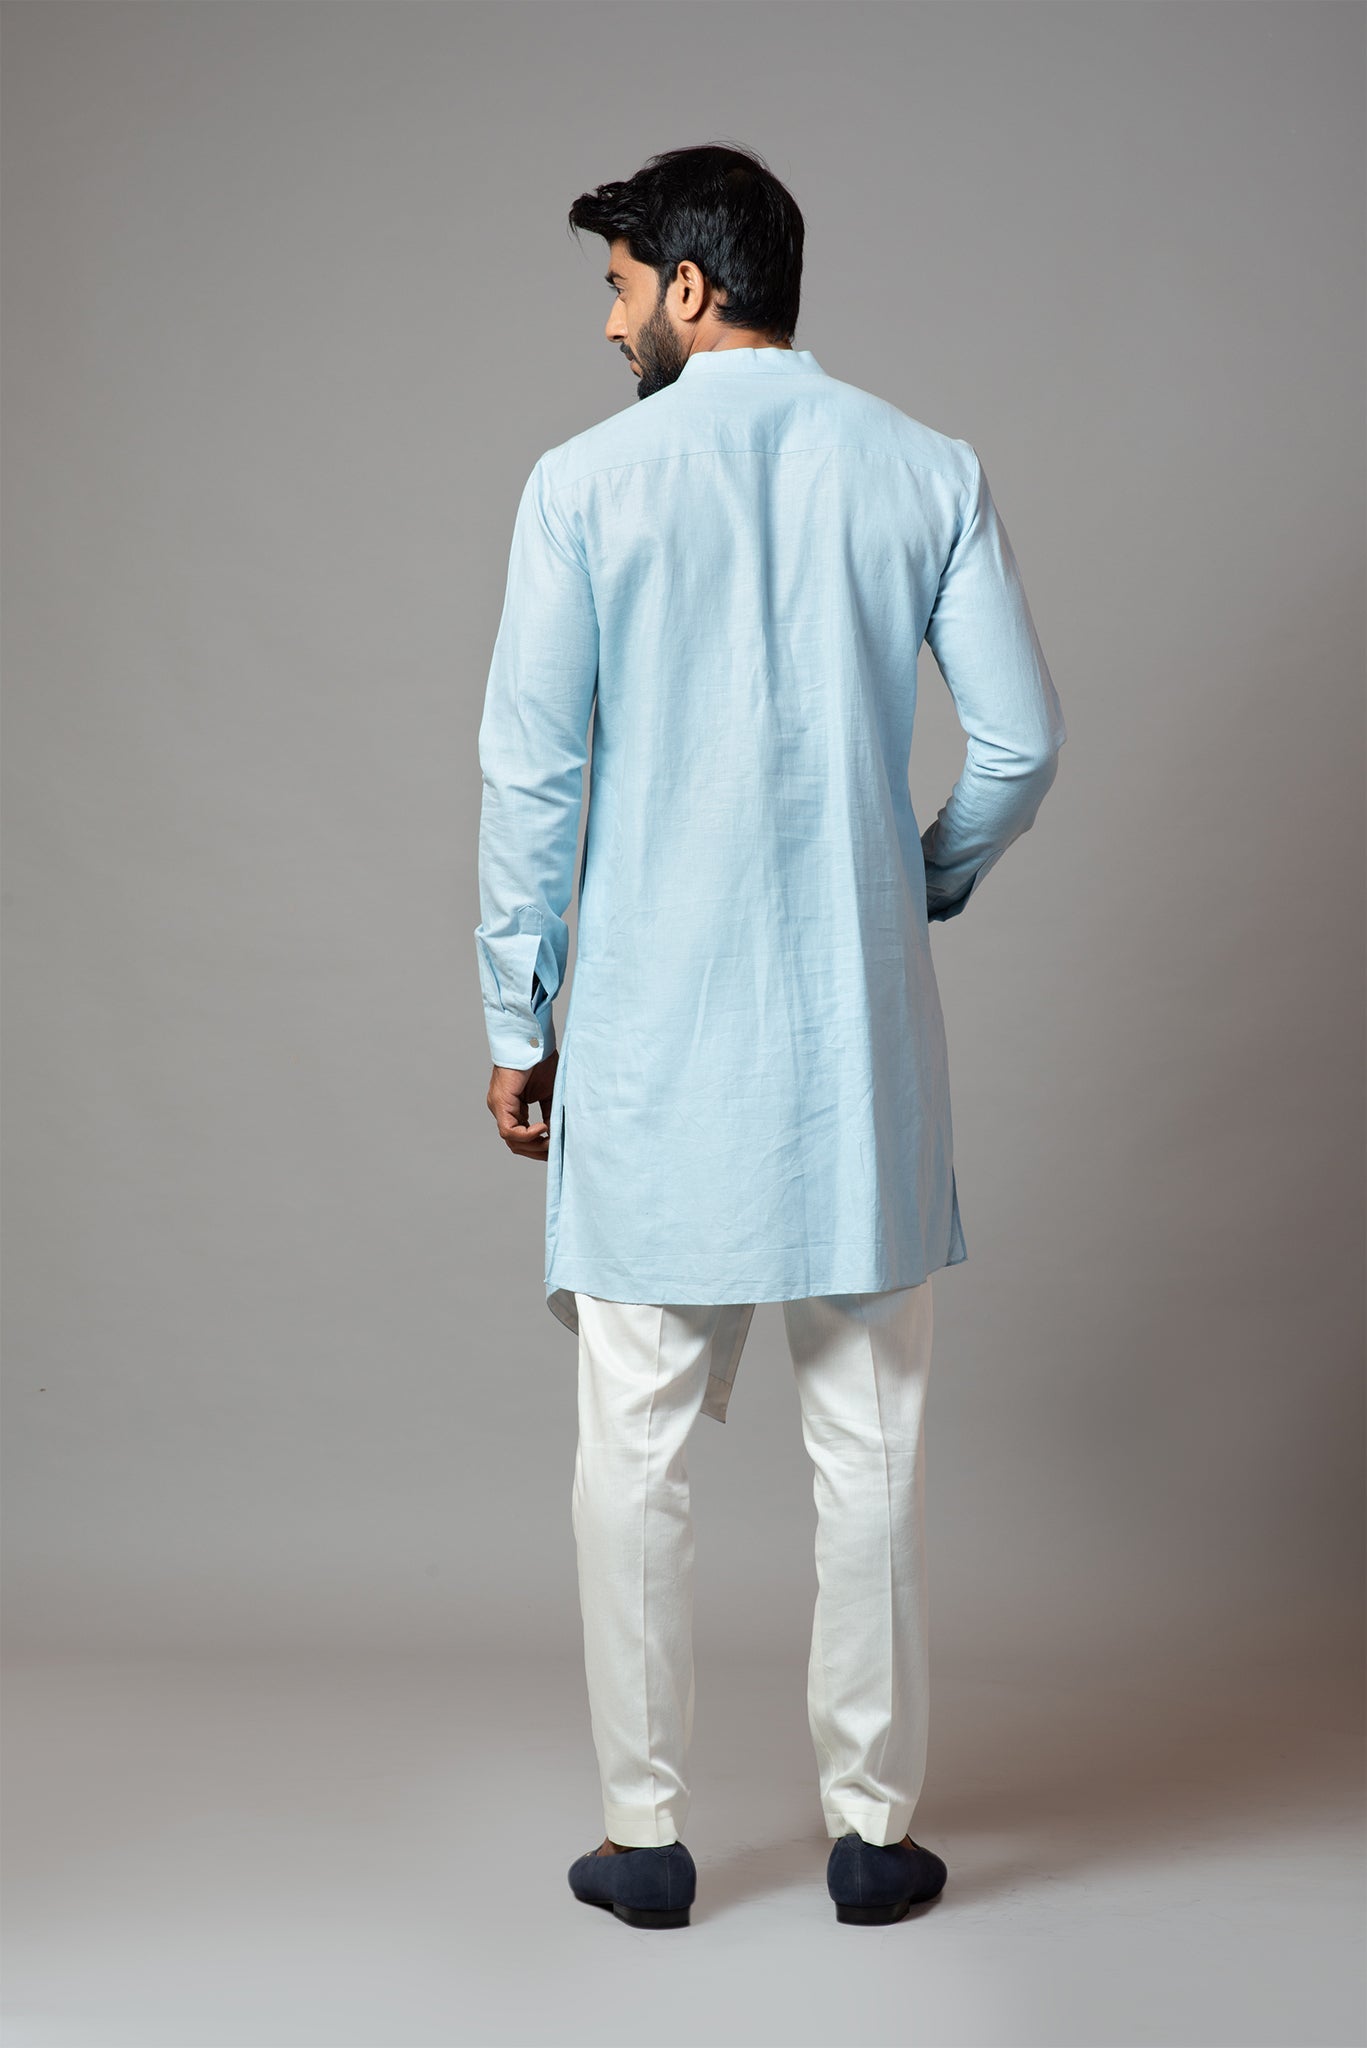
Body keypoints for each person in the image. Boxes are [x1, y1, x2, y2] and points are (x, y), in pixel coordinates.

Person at [474, 143, 1067, 1930]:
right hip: (854, 1045)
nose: (609, 324)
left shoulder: (583, 486)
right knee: (869, 1449)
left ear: (692, 285)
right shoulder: (928, 469)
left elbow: (532, 776)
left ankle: (646, 1839)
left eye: (618, 288)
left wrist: (517, 1015)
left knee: (635, 1450)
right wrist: (917, 880)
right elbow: (1021, 744)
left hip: (654, 1046)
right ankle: (873, 1836)